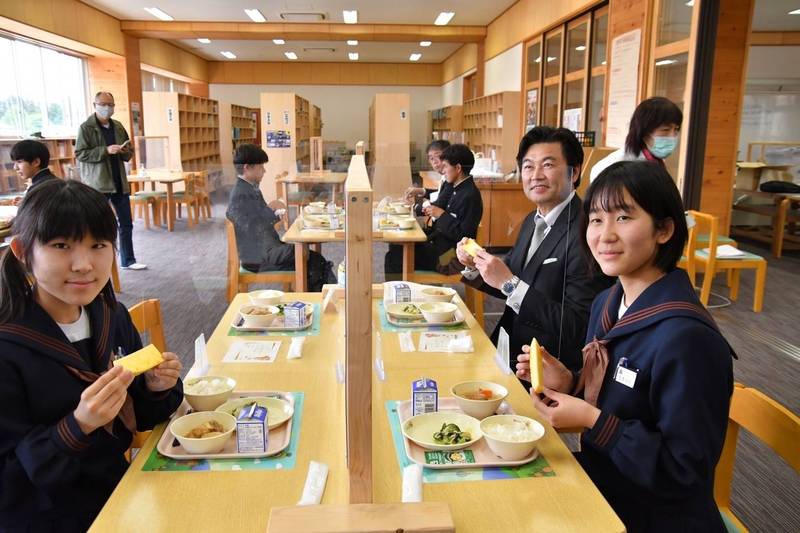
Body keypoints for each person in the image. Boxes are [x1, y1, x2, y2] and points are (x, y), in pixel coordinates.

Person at [518, 161, 734, 532]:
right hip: (606, 486)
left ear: (664, 229)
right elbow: (623, 400)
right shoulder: (607, 302)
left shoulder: (687, 339)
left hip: (654, 514)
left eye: (623, 218)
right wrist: (570, 383)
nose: (604, 235)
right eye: (597, 220)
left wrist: (592, 420)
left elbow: (683, 473)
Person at [0, 179, 183, 531]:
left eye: (98, 245)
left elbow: (142, 416)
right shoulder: (9, 346)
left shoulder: (110, 315)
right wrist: (78, 426)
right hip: (48, 518)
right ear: (24, 252)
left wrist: (157, 387)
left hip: (121, 491)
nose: (84, 264)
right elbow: (10, 484)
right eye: (61, 245)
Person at [457, 127, 613, 373]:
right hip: (511, 348)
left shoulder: (588, 231)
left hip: (549, 367)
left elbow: (578, 327)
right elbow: (512, 277)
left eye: (548, 165)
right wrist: (474, 266)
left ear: (574, 172)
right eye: (528, 166)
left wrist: (509, 283)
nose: (536, 175)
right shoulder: (532, 219)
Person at [226, 143, 335, 291]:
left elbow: (257, 219)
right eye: (261, 167)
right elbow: (251, 225)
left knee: (309, 254)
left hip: (265, 249)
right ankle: (318, 298)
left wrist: (271, 211)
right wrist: (271, 209)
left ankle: (323, 296)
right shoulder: (242, 194)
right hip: (259, 256)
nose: (264, 171)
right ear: (247, 167)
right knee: (309, 256)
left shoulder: (248, 189)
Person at [386, 143, 482, 277]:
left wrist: (441, 215)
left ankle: (398, 293)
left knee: (394, 256)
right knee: (397, 244)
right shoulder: (458, 188)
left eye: (446, 166)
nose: (442, 170)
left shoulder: (470, 195)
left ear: (458, 168)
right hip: (442, 245)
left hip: (452, 256)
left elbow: (464, 235)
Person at [75, 91, 147, 270]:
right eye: (103, 104)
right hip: (99, 184)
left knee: (126, 223)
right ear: (95, 105)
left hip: (119, 182)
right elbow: (80, 154)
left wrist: (125, 151)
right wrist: (105, 150)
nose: (107, 108)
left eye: (111, 105)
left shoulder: (118, 126)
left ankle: (128, 260)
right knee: (97, 225)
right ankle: (95, 263)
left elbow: (128, 154)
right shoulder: (86, 128)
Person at [590, 96, 683, 181]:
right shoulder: (613, 167)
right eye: (665, 130)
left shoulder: (656, 162)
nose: (673, 136)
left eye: (676, 129)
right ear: (644, 132)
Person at [404, 139, 453, 216]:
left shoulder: (451, 178)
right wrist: (421, 191)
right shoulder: (445, 176)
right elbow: (441, 193)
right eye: (431, 158)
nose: (434, 161)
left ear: (449, 156)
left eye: (438, 156)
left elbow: (438, 205)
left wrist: (413, 207)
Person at [0, 140, 57, 206]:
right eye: (14, 162)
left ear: (36, 162)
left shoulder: (41, 189)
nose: (15, 167)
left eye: (19, 162)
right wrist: (26, 201)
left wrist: (26, 205)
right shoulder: (51, 182)